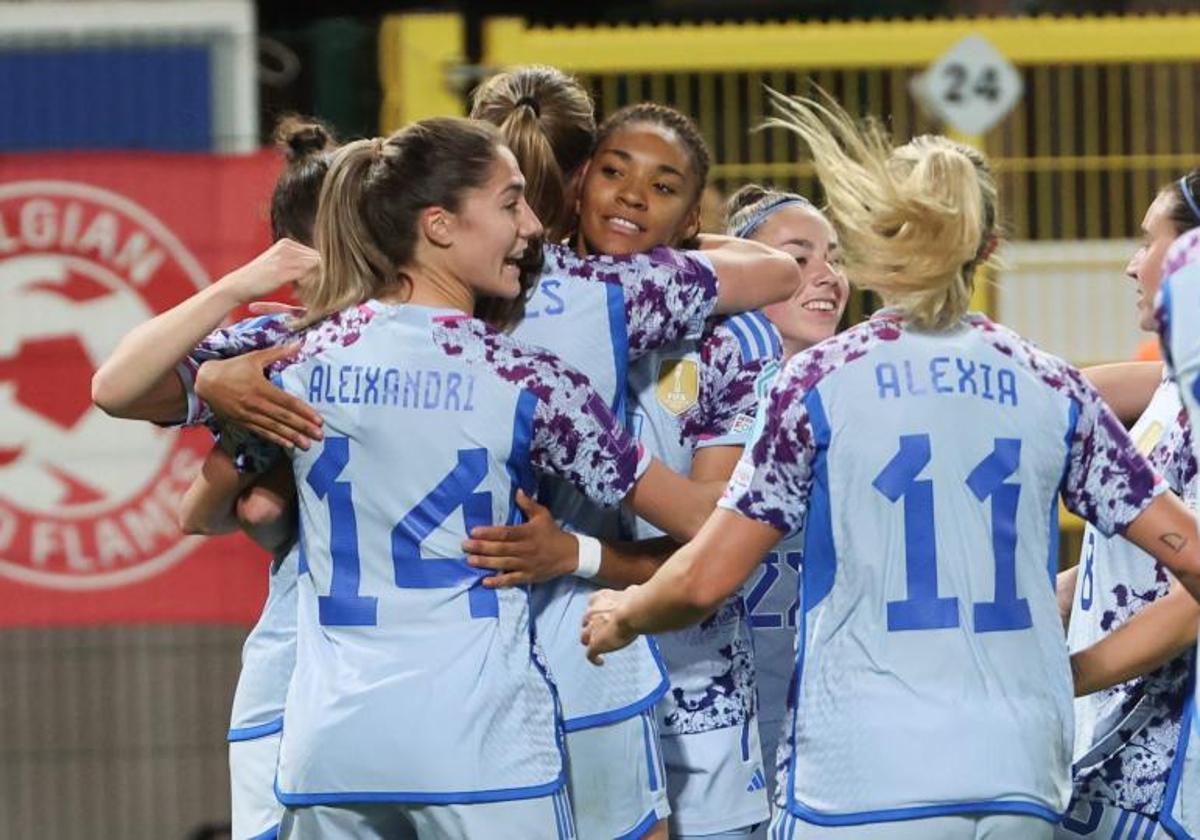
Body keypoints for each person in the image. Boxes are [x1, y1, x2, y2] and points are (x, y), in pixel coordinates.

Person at [582, 90, 1200, 840]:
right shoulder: (1054, 388)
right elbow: (1190, 552)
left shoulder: (820, 382)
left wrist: (623, 614)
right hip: (1020, 771)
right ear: (988, 247)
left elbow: (708, 575)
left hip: (866, 775)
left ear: (877, 237)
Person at [1055, 170, 1200, 840]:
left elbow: (1188, 606)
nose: (1131, 263)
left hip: (1161, 768)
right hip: (1111, 754)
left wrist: (1059, 679)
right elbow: (1055, 388)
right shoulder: (1175, 382)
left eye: (1149, 242)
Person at [723, 184, 849, 806]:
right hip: (726, 717)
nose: (827, 276)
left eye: (834, 256)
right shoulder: (700, 398)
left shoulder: (862, 392)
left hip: (837, 715)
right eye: (798, 259)